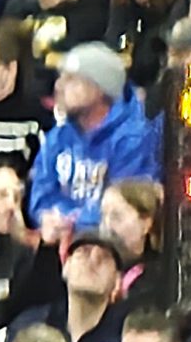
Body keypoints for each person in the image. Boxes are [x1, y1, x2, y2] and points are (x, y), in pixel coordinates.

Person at [27, 41, 156, 236]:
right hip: (62, 244)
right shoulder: (59, 135)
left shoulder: (134, 139)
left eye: (71, 79)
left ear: (99, 89)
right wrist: (47, 217)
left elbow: (123, 208)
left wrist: (71, 222)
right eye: (61, 77)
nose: (59, 86)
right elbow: (40, 194)